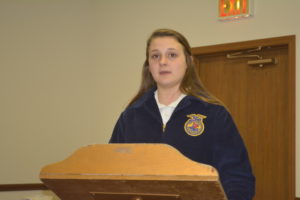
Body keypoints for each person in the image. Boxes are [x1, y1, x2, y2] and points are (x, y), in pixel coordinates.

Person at [109, 28, 255, 200]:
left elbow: (238, 180)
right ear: (149, 65)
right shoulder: (130, 116)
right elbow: (110, 174)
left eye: (172, 55)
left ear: (188, 62)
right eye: (155, 56)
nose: (162, 62)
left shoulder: (214, 114)